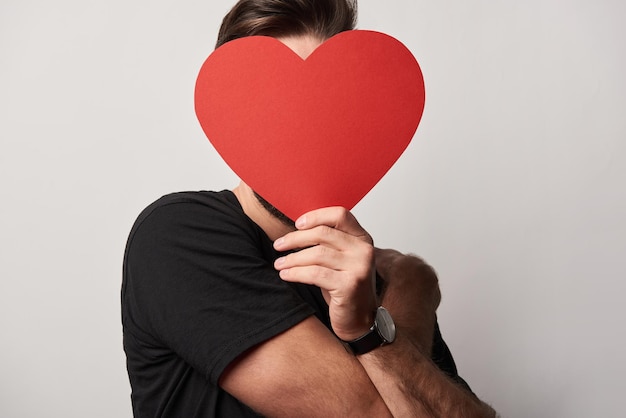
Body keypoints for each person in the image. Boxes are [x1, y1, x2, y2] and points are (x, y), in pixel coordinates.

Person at [122, 0, 497, 416]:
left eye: (328, 107)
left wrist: (382, 306)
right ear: (233, 116)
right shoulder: (180, 236)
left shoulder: (365, 281)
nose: (303, 135)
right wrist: (413, 287)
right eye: (273, 107)